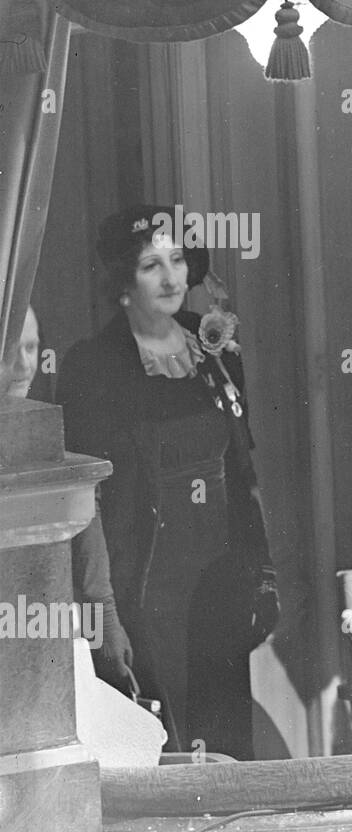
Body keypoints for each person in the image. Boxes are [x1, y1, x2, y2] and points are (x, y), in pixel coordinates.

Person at [56, 206, 278, 758]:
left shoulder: (216, 354)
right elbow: (86, 497)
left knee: (228, 741)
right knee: (170, 749)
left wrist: (263, 573)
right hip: (148, 591)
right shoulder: (93, 367)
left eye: (178, 259)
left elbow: (242, 473)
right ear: (124, 282)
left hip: (220, 583)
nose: (172, 276)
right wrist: (103, 610)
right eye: (152, 264)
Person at [1, 306, 134, 691]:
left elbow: (83, 520)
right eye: (11, 352)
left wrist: (106, 620)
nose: (26, 366)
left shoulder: (46, 433)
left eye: (32, 347)